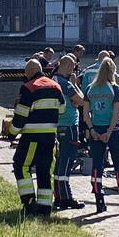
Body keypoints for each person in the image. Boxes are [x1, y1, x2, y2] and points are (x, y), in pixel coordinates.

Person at [12, 59, 64, 216]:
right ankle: (45, 207)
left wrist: (12, 132)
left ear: (29, 72)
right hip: (49, 137)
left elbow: (21, 115)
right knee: (45, 170)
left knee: (21, 166)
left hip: (32, 137)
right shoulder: (56, 86)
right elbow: (61, 109)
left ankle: (29, 202)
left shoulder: (29, 87)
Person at [84, 57, 119, 213]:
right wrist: (109, 131)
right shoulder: (115, 89)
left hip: (96, 129)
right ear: (113, 71)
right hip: (113, 130)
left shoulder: (90, 88)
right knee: (118, 164)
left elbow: (85, 114)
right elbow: (116, 113)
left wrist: (92, 130)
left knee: (97, 165)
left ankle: (99, 201)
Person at [52, 54, 86, 210]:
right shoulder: (65, 83)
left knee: (59, 162)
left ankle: (58, 196)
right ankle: (66, 197)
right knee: (67, 162)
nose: (74, 70)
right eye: (73, 68)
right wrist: (75, 84)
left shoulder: (52, 79)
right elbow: (81, 100)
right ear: (67, 66)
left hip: (57, 126)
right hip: (69, 125)